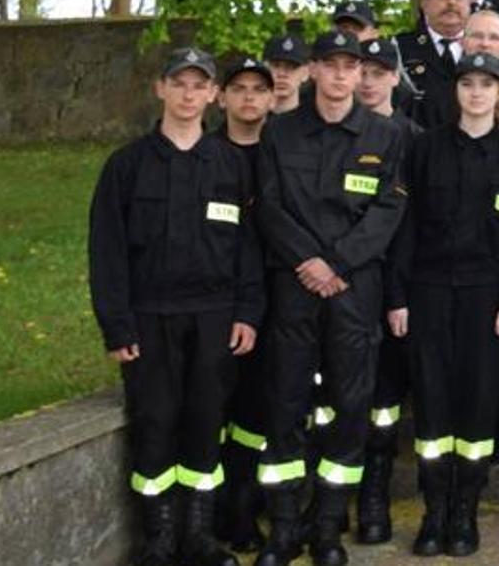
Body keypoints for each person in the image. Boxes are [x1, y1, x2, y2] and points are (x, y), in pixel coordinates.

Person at [89, 48, 262, 566]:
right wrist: (117, 325)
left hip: (214, 316)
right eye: (178, 84)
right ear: (160, 89)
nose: (189, 95)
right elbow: (107, 252)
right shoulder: (126, 166)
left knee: (205, 420)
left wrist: (247, 313)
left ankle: (198, 536)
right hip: (150, 316)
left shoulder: (230, 164)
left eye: (198, 85)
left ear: (213, 95)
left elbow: (249, 247)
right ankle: (159, 539)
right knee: (156, 421)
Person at [250, 31, 409, 566]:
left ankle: (326, 529)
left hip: (354, 288)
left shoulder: (387, 137)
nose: (343, 76)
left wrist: (337, 263)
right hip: (294, 286)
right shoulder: (280, 133)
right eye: (332, 65)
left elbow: (388, 211)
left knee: (350, 407)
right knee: (286, 403)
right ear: (312, 71)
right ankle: (285, 528)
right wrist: (310, 262)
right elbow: (269, 206)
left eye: (353, 66)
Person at [380, 52, 499, 557]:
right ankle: (433, 512)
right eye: (466, 83)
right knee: (431, 404)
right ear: (456, 92)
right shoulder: (425, 150)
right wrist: (398, 295)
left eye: (485, 84)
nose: (475, 93)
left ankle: (465, 513)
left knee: (477, 405)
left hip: (487, 297)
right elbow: (405, 227)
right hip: (427, 291)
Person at [351, 37, 425, 546]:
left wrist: (400, 293)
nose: (370, 80)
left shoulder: (416, 140)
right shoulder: (332, 133)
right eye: (363, 71)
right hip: (342, 284)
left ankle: (374, 498)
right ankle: (329, 500)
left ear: (395, 79)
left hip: (395, 287)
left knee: (384, 402)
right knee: (331, 398)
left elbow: (415, 224)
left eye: (381, 72)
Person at [211, 56, 275, 553]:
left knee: (260, 413)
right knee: (215, 412)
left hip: (278, 300)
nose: (249, 97)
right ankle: (214, 513)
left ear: (273, 97)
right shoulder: (205, 155)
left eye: (259, 88)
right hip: (215, 302)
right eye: (239, 89)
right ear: (221, 96)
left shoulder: (284, 149)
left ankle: (248, 509)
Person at [398, 0, 474, 110]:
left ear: (469, 4)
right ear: (424, 3)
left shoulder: (484, 45)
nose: (451, 2)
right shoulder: (400, 47)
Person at [264, 34, 309, 114]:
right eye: (276, 65)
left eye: (291, 67)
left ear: (305, 73)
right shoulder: (249, 121)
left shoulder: (314, 122)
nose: (282, 74)